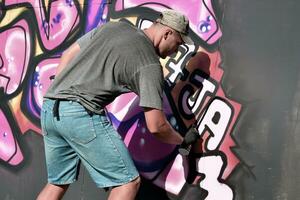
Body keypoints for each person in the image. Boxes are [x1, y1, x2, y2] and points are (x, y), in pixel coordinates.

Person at [37, 9, 198, 200]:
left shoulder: (113, 27)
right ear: (167, 33)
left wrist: (59, 93)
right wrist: (182, 140)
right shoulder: (149, 63)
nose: (175, 51)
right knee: (127, 183)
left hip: (50, 108)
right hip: (81, 113)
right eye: (178, 44)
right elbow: (157, 126)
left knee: (57, 182)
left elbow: (67, 55)